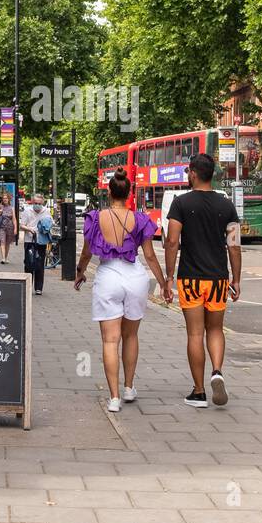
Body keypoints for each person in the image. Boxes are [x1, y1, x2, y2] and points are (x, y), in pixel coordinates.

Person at [75, 168, 168, 412]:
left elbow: (86, 253)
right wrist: (164, 282)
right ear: (129, 193)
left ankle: (114, 397)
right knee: (131, 336)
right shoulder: (139, 219)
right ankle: (129, 388)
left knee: (110, 339)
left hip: (108, 278)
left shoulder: (95, 218)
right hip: (135, 277)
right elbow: (149, 255)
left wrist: (80, 273)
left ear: (108, 191)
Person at [164, 153, 241, 408]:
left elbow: (172, 241)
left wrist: (168, 277)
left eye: (188, 172)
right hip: (218, 278)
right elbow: (234, 245)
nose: (188, 176)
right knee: (216, 329)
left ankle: (198, 392)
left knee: (195, 333)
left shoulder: (181, 203)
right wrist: (236, 279)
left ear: (194, 173)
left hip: (191, 279)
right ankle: (216, 371)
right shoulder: (226, 205)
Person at [0, 191, 16, 263]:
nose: (5, 199)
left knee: (7, 243)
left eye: (6, 198)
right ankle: (3, 258)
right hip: (1, 227)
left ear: (9, 199)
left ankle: (6, 258)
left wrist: (15, 229)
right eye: (3, 198)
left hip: (10, 227)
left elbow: (14, 219)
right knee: (2, 242)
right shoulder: (0, 207)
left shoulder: (12, 208)